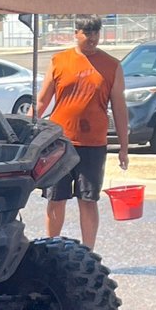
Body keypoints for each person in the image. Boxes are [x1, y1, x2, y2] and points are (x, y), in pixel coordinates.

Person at [35, 16, 129, 251]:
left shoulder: (112, 65)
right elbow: (42, 101)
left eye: (96, 32)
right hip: (59, 143)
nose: (92, 38)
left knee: (88, 200)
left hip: (93, 144)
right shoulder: (59, 61)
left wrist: (124, 148)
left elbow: (119, 108)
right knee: (56, 198)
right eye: (87, 33)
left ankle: (88, 252)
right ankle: (52, 249)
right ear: (76, 33)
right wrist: (26, 131)